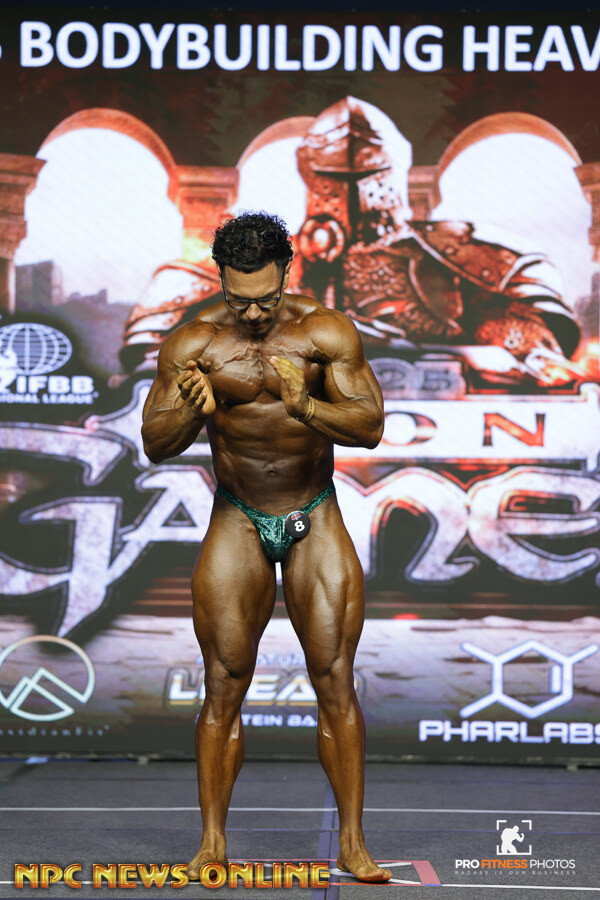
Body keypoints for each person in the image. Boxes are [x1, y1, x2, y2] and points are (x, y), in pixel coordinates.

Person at [141, 211, 392, 883]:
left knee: (334, 678)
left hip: (314, 511)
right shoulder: (194, 340)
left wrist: (306, 406)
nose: (253, 314)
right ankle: (212, 843)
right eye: (239, 299)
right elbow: (155, 443)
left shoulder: (324, 332)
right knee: (223, 682)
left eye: (265, 298)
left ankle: (352, 843)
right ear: (221, 280)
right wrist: (191, 410)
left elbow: (370, 425)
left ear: (286, 274)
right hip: (238, 516)